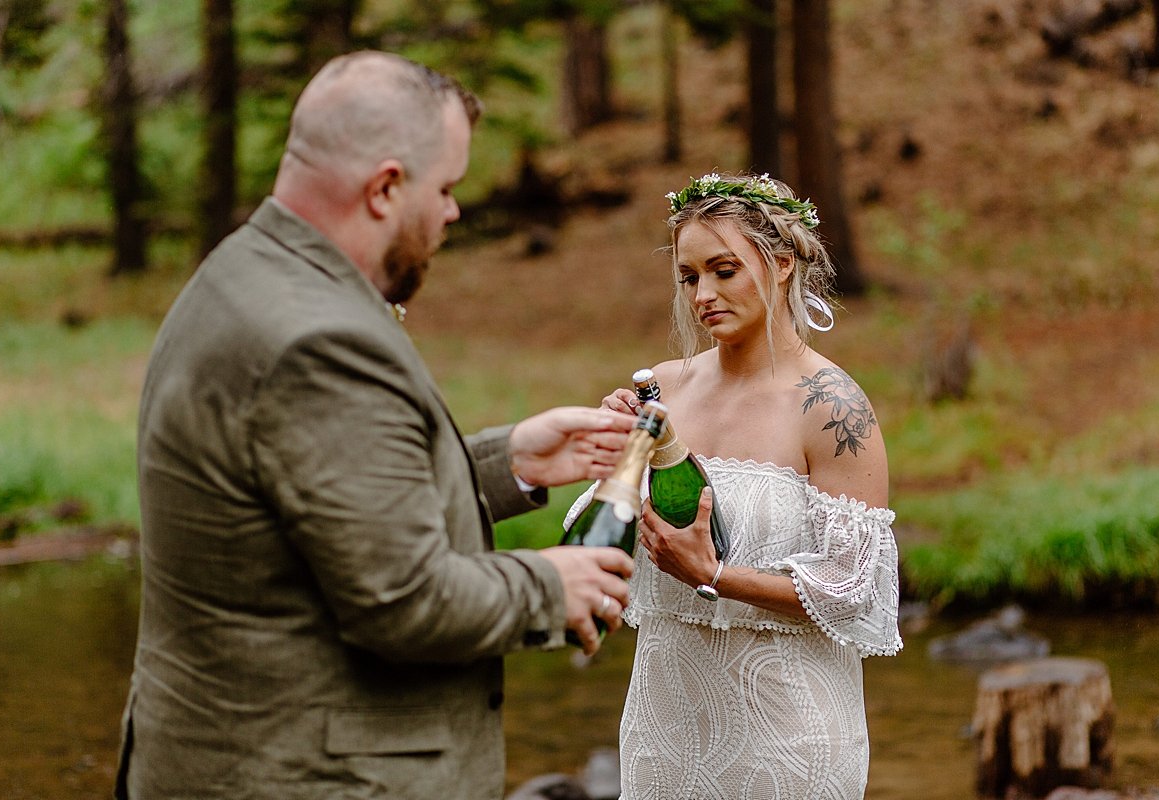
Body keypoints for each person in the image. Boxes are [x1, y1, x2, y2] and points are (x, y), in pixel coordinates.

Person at [113, 51, 639, 800]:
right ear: (386, 187)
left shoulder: (246, 269)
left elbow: (327, 492)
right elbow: (403, 602)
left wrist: (505, 461)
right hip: (300, 777)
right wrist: (551, 585)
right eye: (447, 188)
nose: (453, 212)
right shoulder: (318, 341)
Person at [571, 172, 902, 799]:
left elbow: (855, 592)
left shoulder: (832, 407)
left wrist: (714, 575)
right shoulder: (661, 389)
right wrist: (614, 457)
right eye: (690, 277)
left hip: (787, 741)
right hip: (664, 734)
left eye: (724, 271)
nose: (704, 295)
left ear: (779, 265)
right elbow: (600, 548)